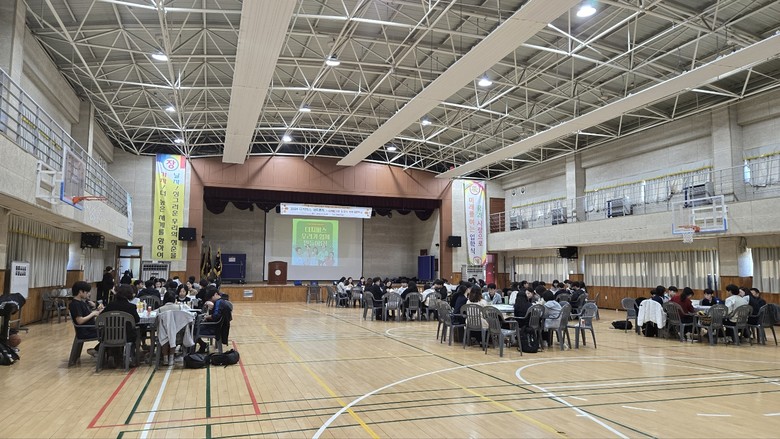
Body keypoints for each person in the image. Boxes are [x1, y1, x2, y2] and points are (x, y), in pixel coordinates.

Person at [69, 281, 104, 357]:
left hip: (91, 328)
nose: (88, 294)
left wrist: (98, 311)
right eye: (87, 292)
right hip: (86, 331)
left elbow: (87, 315)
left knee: (110, 330)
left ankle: (100, 351)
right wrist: (93, 314)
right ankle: (100, 351)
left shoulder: (81, 303)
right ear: (80, 292)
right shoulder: (75, 304)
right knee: (110, 332)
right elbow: (80, 321)